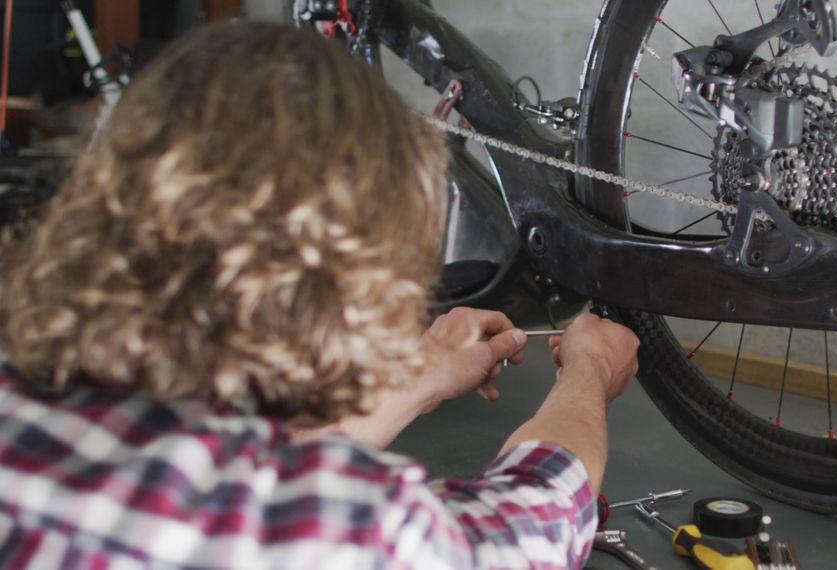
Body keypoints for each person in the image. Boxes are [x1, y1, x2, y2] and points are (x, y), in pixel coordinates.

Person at [0, 21, 639, 569]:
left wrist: (414, 381)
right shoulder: (304, 524)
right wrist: (588, 371)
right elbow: (527, 527)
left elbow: (232, 465)